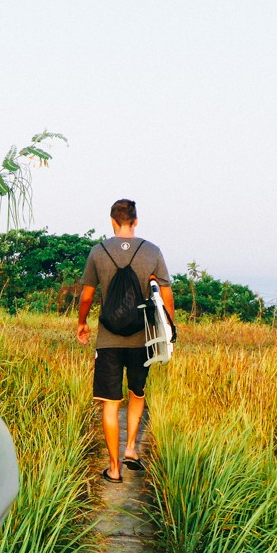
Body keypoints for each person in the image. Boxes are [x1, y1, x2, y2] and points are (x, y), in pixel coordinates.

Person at [76, 198, 175, 483]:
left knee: (110, 403)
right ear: (135, 221)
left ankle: (114, 468)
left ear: (112, 221)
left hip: (108, 339)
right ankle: (131, 448)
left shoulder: (98, 252)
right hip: (141, 339)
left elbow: (87, 296)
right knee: (136, 393)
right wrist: (170, 330)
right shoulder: (152, 252)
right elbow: (166, 295)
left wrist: (82, 323)